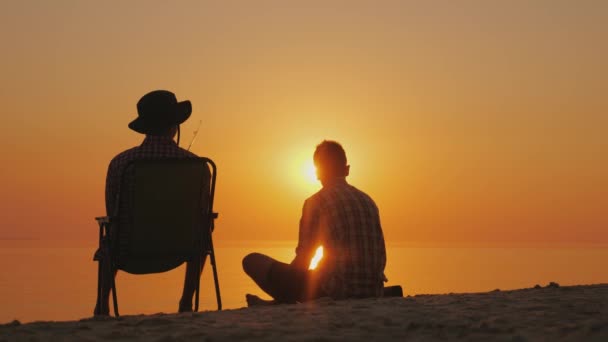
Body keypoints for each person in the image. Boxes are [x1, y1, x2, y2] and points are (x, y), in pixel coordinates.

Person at [93, 90, 209, 315]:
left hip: (128, 251)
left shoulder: (121, 163)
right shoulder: (197, 166)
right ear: (175, 126)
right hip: (182, 248)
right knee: (204, 229)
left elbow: (111, 210)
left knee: (109, 236)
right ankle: (186, 303)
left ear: (145, 127)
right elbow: (202, 212)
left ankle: (102, 306)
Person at [242, 140, 387, 305]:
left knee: (252, 261)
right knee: (311, 275)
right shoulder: (368, 201)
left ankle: (278, 303)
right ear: (347, 169)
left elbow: (304, 257)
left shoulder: (316, 202)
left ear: (317, 172)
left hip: (334, 291)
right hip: (373, 290)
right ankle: (274, 303)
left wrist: (286, 283)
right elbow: (380, 254)